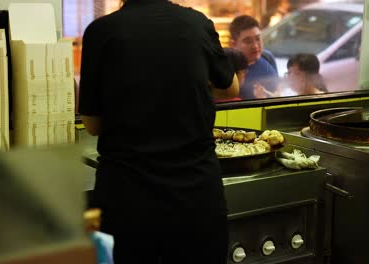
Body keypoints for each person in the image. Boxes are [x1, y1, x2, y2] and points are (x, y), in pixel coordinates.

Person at [78, 0, 239, 263]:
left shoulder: (101, 31)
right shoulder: (197, 24)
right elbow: (230, 88)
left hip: (128, 202)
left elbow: (93, 125)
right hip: (196, 200)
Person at [229, 15, 278, 99]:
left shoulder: (267, 56)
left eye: (258, 39)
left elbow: (277, 88)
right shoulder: (228, 71)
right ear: (233, 44)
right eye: (248, 41)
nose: (255, 46)